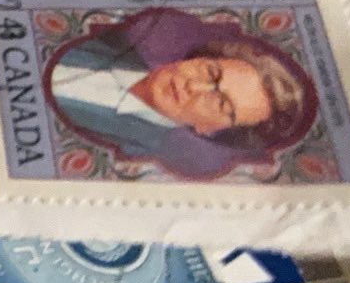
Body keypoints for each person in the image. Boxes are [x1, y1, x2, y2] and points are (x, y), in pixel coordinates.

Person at [49, 10, 314, 168]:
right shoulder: (107, 37)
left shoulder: (133, 156)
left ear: (209, 129)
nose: (194, 86)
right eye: (210, 72)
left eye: (220, 103)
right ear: (195, 59)